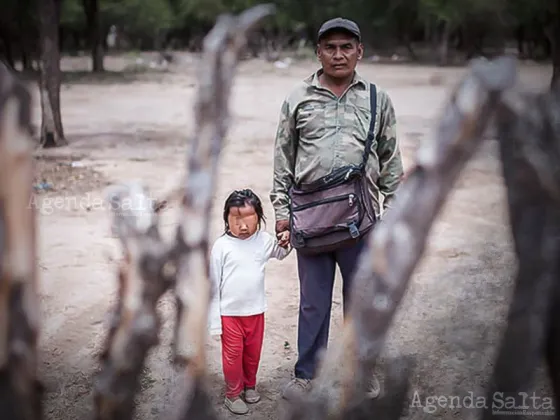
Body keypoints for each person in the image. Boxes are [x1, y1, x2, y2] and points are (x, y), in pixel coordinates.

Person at [270, 17, 404, 400]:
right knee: (313, 304)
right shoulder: (297, 99)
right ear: (318, 52)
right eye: (330, 47)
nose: (339, 54)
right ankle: (307, 373)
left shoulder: (378, 99)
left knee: (360, 301)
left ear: (360, 51)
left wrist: (393, 217)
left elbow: (391, 160)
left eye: (347, 47)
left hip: (361, 222)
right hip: (310, 220)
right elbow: (283, 159)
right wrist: (282, 210)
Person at [208, 188, 291, 415]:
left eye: (249, 219)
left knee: (252, 353)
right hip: (230, 314)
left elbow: (281, 252)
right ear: (226, 218)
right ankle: (233, 394)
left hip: (256, 312)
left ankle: (250, 385)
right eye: (236, 220)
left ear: (259, 218)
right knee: (233, 356)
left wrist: (286, 239)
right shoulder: (221, 247)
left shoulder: (263, 241)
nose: (243, 226)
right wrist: (215, 322)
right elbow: (213, 287)